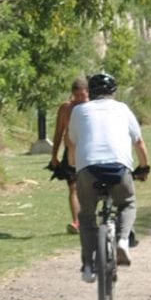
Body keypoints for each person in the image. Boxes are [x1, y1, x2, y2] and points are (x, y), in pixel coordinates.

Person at [65, 71, 151, 283]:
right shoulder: (123, 109)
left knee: (86, 216)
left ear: (90, 92)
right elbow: (138, 143)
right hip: (119, 168)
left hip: (88, 170)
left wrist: (73, 167)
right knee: (128, 202)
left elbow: (72, 144)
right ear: (113, 91)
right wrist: (144, 167)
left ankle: (87, 266)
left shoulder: (79, 111)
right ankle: (122, 240)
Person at [48, 76, 90, 234]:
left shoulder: (92, 108)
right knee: (73, 187)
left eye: (83, 96)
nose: (80, 99)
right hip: (70, 151)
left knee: (89, 187)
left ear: (88, 93)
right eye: (77, 95)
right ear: (72, 94)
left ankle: (89, 218)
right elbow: (59, 132)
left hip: (88, 151)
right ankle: (77, 221)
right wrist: (54, 155)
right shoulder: (66, 108)